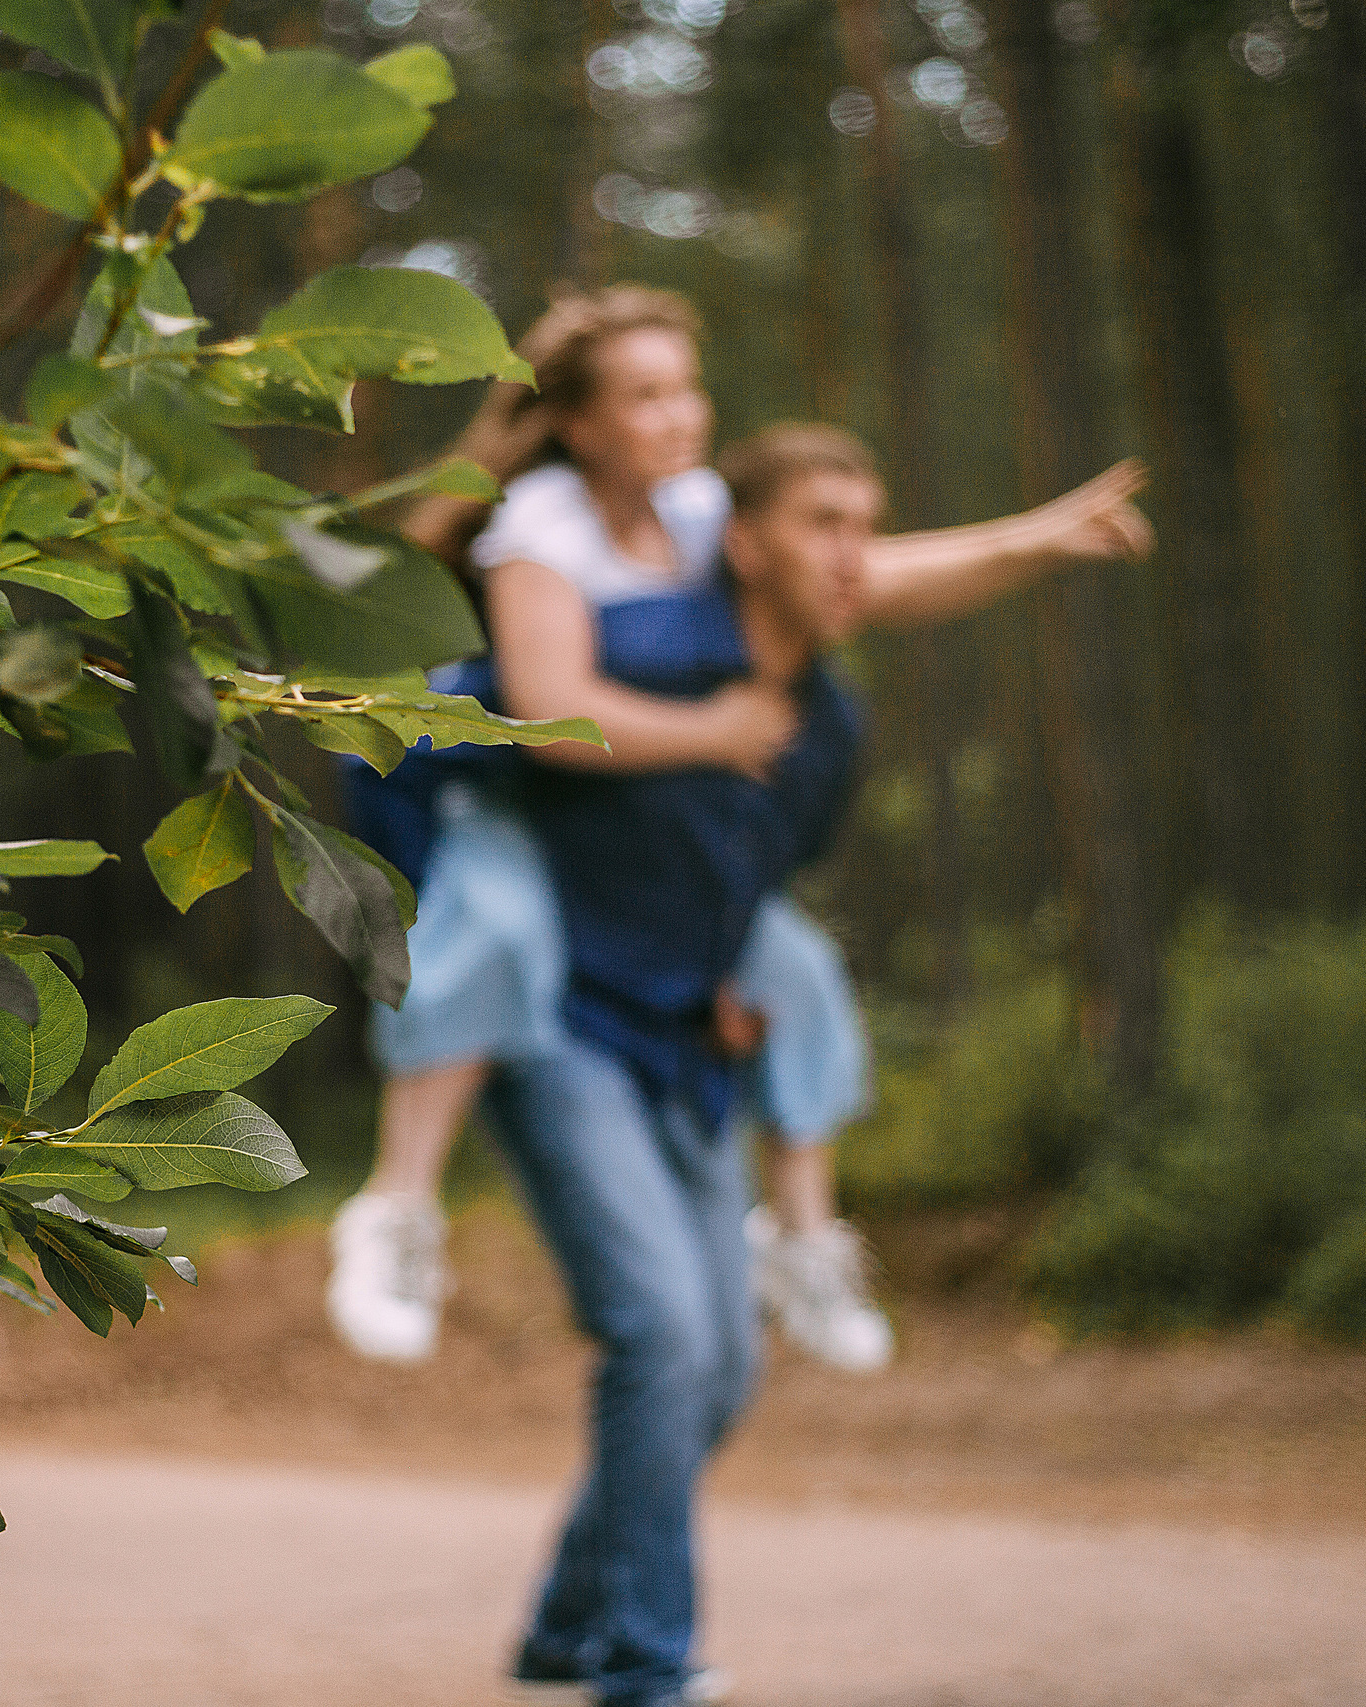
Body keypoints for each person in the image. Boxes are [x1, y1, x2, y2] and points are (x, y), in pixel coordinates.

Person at [326, 286, 1152, 1374]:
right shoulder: (543, 525)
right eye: (646, 396)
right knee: (497, 928)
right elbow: (548, 713)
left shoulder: (700, 511)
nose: (679, 417)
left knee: (797, 968)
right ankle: (395, 1209)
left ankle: (802, 1242)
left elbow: (863, 576)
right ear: (578, 425)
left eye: (687, 390)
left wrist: (1035, 539)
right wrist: (714, 729)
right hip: (501, 795)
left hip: (629, 838)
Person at [480, 419, 1146, 1707]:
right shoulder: (637, 650)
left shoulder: (829, 726)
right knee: (660, 1336)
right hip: (557, 1027)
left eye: (867, 525)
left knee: (719, 1360)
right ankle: (643, 1666)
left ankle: (566, 1626)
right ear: (743, 542)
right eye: (823, 525)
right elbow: (507, 741)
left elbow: (748, 878)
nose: (855, 556)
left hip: (682, 1042)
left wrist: (731, 977)